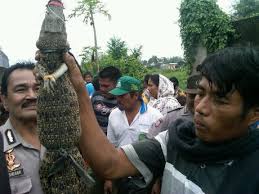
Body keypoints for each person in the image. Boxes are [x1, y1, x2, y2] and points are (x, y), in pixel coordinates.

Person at [65, 47, 259, 194]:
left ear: (254, 113)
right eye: (201, 93)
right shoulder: (174, 140)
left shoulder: (252, 174)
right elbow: (110, 163)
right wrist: (79, 90)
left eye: (220, 100)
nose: (199, 107)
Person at [104, 75, 163, 194]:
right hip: (120, 177)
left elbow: (161, 153)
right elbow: (111, 147)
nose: (118, 99)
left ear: (135, 95)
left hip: (145, 179)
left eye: (122, 96)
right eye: (116, 95)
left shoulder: (155, 116)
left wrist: (158, 181)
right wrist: (109, 178)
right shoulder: (114, 115)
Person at [0, 62, 45, 194]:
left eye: (38, 88)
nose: (32, 96)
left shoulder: (64, 138)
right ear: (4, 100)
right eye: (21, 89)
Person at [91, 66, 122, 134]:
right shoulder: (96, 96)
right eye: (100, 85)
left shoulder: (122, 101)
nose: (102, 89)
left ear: (117, 85)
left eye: (106, 86)